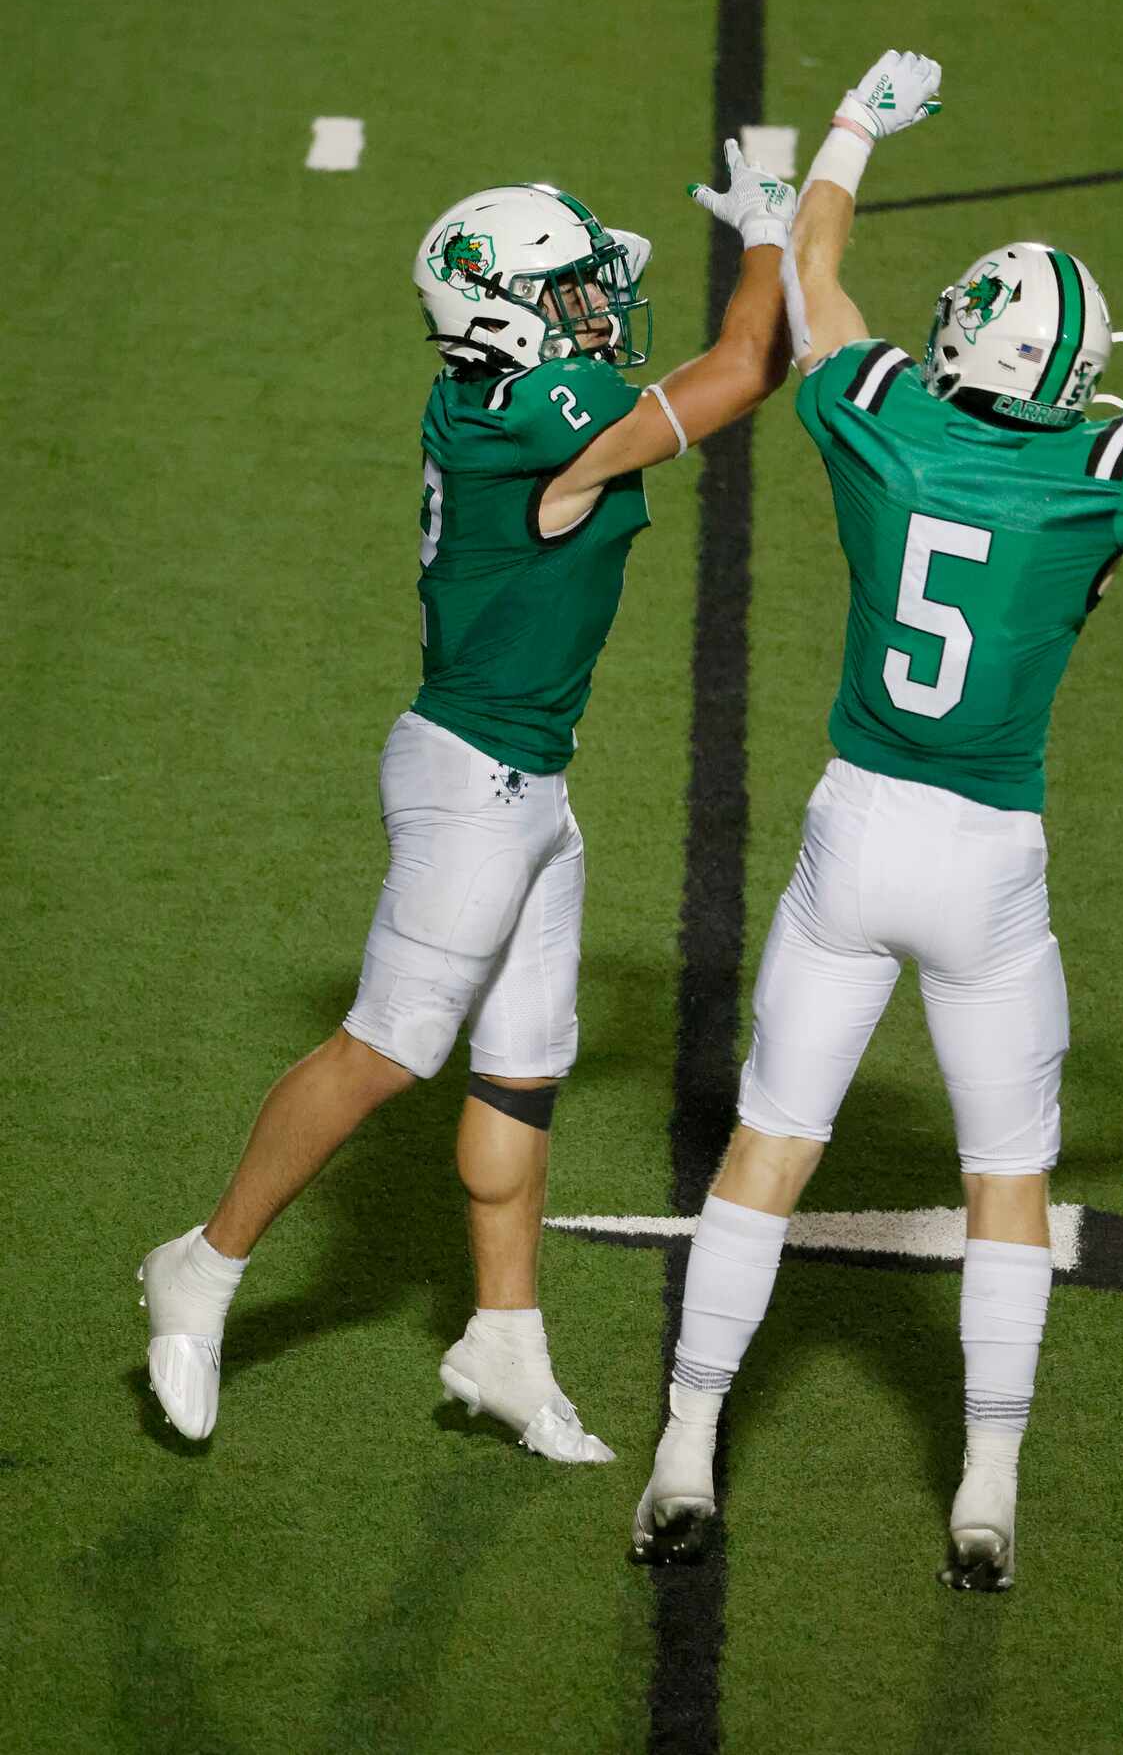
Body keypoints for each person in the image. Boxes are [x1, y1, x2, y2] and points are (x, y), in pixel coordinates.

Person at [633, 50, 1123, 1585]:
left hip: (852, 831)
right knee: (1005, 1177)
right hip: (986, 862)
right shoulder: (1106, 469)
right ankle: (988, 1485)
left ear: (964, 339)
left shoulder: (879, 412)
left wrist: (854, 129)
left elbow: (816, 265)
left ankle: (687, 1444)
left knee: (768, 1144)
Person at [138, 148, 796, 1456]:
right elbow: (741, 369)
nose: (599, 314)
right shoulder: (534, 408)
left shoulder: (498, 397)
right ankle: (200, 1266)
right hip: (476, 777)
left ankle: (502, 1339)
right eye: (574, 295)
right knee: (389, 1045)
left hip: (519, 776)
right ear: (508, 314)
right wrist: (777, 229)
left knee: (523, 1071)